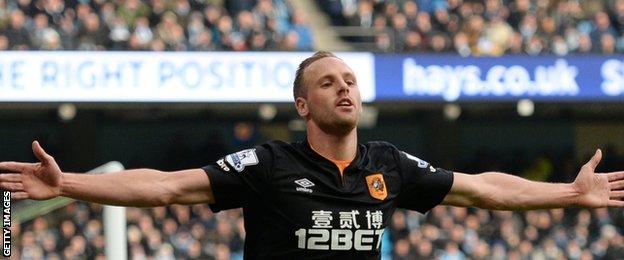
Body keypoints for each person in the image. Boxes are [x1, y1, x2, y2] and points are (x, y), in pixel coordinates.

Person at [1, 51, 623, 259]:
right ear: (303, 106)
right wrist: (71, 184)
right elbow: (164, 186)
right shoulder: (268, 166)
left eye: (349, 80)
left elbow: (486, 190)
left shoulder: (390, 165)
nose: (344, 87)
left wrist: (570, 194)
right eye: (328, 83)